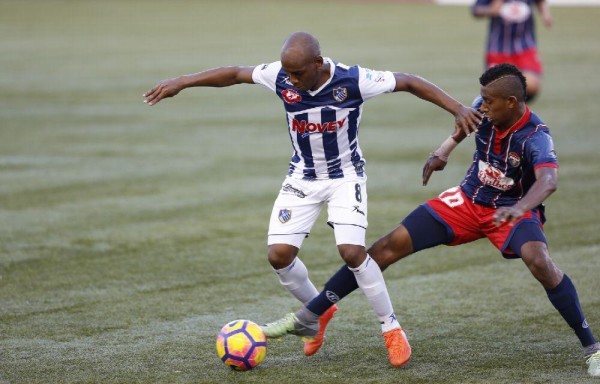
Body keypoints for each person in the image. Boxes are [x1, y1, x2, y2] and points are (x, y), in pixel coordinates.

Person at [143, 31, 482, 368]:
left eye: (298, 74)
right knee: (278, 256)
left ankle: (391, 328)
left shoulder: (353, 80)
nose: (291, 80)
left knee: (352, 251)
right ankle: (318, 313)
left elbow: (407, 81)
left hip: (345, 177)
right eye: (287, 74)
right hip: (302, 178)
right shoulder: (280, 76)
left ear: (318, 63)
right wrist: (183, 82)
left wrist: (457, 108)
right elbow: (235, 74)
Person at [261, 63, 600, 377]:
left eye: (488, 101)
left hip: (511, 209)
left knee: (539, 261)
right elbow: (464, 127)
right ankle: (310, 315)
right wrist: (443, 152)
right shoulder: (485, 108)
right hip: (467, 201)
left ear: (511, 102)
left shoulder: (535, 136)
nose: (481, 106)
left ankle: (593, 347)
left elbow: (548, 181)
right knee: (384, 248)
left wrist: (520, 208)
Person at [472, 0, 553, 102]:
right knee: (496, 90)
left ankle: (516, 110)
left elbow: (540, 1)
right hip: (497, 50)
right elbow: (476, 10)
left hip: (525, 48)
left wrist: (545, 14)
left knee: (531, 85)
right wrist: (490, 10)